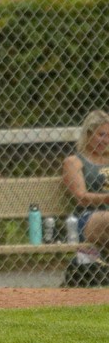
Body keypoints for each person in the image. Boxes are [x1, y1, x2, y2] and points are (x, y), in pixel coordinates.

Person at [62, 110, 109, 285]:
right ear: (88, 133)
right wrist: (106, 199)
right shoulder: (74, 161)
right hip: (86, 219)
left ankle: (96, 269)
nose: (105, 140)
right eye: (101, 134)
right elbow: (81, 197)